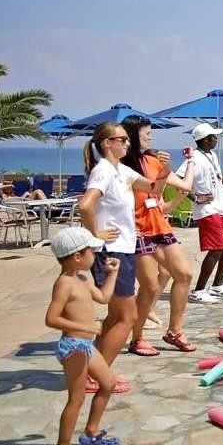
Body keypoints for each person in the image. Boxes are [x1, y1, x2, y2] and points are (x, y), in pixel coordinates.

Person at [77, 122, 167, 393]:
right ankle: (98, 376)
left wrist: (165, 170)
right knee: (127, 318)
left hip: (122, 250)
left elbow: (154, 188)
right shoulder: (104, 171)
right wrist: (95, 233)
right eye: (123, 139)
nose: (128, 143)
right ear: (107, 143)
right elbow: (85, 205)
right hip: (111, 252)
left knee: (115, 318)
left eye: (128, 140)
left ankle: (92, 372)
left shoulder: (121, 170)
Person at [42, 227, 122, 445]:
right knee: (76, 398)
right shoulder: (64, 283)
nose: (95, 256)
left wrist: (112, 274)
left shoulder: (82, 279)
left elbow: (104, 298)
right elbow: (51, 319)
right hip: (73, 346)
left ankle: (91, 432)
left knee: (108, 383)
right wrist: (86, 327)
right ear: (78, 256)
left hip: (85, 345)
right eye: (91, 251)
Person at [120, 116, 197, 356]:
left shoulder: (152, 160)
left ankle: (174, 331)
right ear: (133, 135)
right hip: (137, 229)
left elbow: (181, 186)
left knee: (184, 274)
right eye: (146, 134)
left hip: (159, 226)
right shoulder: (121, 166)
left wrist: (186, 162)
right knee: (150, 286)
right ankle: (137, 338)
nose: (150, 137)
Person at [176, 124, 223, 303]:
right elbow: (178, 179)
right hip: (207, 210)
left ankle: (217, 286)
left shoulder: (212, 155)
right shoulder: (194, 158)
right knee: (216, 248)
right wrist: (195, 197)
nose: (216, 139)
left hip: (221, 208)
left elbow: (218, 181)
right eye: (213, 137)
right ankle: (199, 290)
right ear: (205, 140)